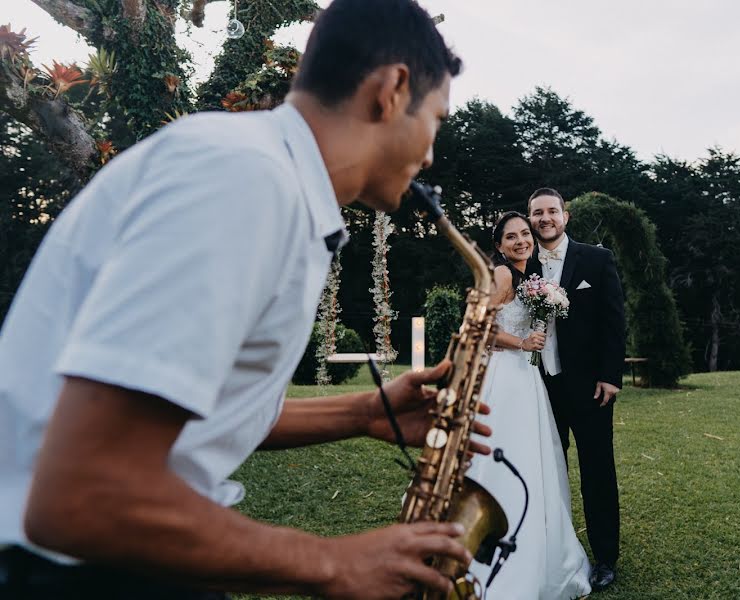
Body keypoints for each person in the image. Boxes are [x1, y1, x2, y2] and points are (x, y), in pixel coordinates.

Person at [0, 1, 492, 598]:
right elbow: (80, 496)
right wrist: (333, 562)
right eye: (436, 121)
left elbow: (188, 409)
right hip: (75, 577)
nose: (432, 154)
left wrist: (364, 413)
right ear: (391, 89)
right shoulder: (245, 182)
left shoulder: (268, 180)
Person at [465, 212, 592, 599]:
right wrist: (521, 343)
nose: (520, 240)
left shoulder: (527, 276)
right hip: (505, 377)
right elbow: (476, 325)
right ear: (499, 245)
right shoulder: (503, 274)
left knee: (532, 458)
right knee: (509, 454)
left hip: (526, 379)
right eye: (511, 237)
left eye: (524, 234)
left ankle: (535, 538)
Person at [526, 188, 626, 591]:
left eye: (552, 211)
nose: (544, 218)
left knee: (597, 470)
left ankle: (605, 558)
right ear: (529, 218)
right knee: (548, 472)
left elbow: (614, 321)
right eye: (537, 213)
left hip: (589, 387)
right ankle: (551, 552)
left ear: (565, 216)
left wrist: (611, 375)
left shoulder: (596, 259)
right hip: (538, 386)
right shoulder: (521, 261)